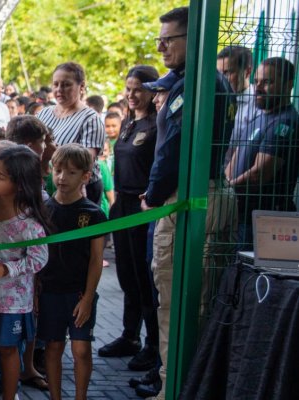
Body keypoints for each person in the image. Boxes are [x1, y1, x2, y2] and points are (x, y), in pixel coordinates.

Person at [138, 7, 236, 399]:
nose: (161, 46)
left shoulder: (195, 85)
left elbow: (174, 148)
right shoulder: (202, 81)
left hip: (188, 201)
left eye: (169, 39)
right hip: (208, 193)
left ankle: (175, 388)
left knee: (178, 307)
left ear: (193, 41)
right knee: (189, 304)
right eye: (159, 39)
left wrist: (155, 195)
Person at [0, 146, 50, 400]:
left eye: (1, 176)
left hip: (13, 304)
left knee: (8, 350)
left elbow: (39, 258)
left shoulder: (28, 223)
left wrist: (7, 268)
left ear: (20, 184)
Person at [99, 65, 161, 373]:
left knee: (143, 277)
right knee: (125, 275)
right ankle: (129, 335)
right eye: (129, 88)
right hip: (121, 205)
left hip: (142, 207)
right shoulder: (126, 123)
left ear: (152, 90)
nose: (133, 94)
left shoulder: (157, 123)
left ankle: (152, 343)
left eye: (139, 89)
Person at [39, 143, 106, 400]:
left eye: (71, 172)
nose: (62, 178)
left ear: (86, 176)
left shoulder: (94, 214)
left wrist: (88, 298)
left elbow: (96, 260)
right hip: (50, 292)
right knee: (53, 347)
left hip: (79, 294)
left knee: (81, 350)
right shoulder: (43, 210)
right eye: (57, 170)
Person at [225, 58, 299, 246]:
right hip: (239, 217)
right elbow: (234, 157)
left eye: (267, 82)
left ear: (289, 85)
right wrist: (224, 188)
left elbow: (259, 174)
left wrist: (226, 192)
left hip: (262, 223)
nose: (258, 88)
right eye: (256, 81)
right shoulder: (260, 117)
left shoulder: (286, 121)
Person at [37, 62, 106, 205]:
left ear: (81, 87)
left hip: (80, 190)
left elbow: (88, 159)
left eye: (66, 84)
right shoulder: (44, 113)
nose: (59, 89)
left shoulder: (90, 118)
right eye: (56, 84)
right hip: (47, 185)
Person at [217, 46, 258, 167]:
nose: (221, 79)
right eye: (218, 74)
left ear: (247, 72)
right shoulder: (214, 99)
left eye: (227, 73)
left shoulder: (258, 105)